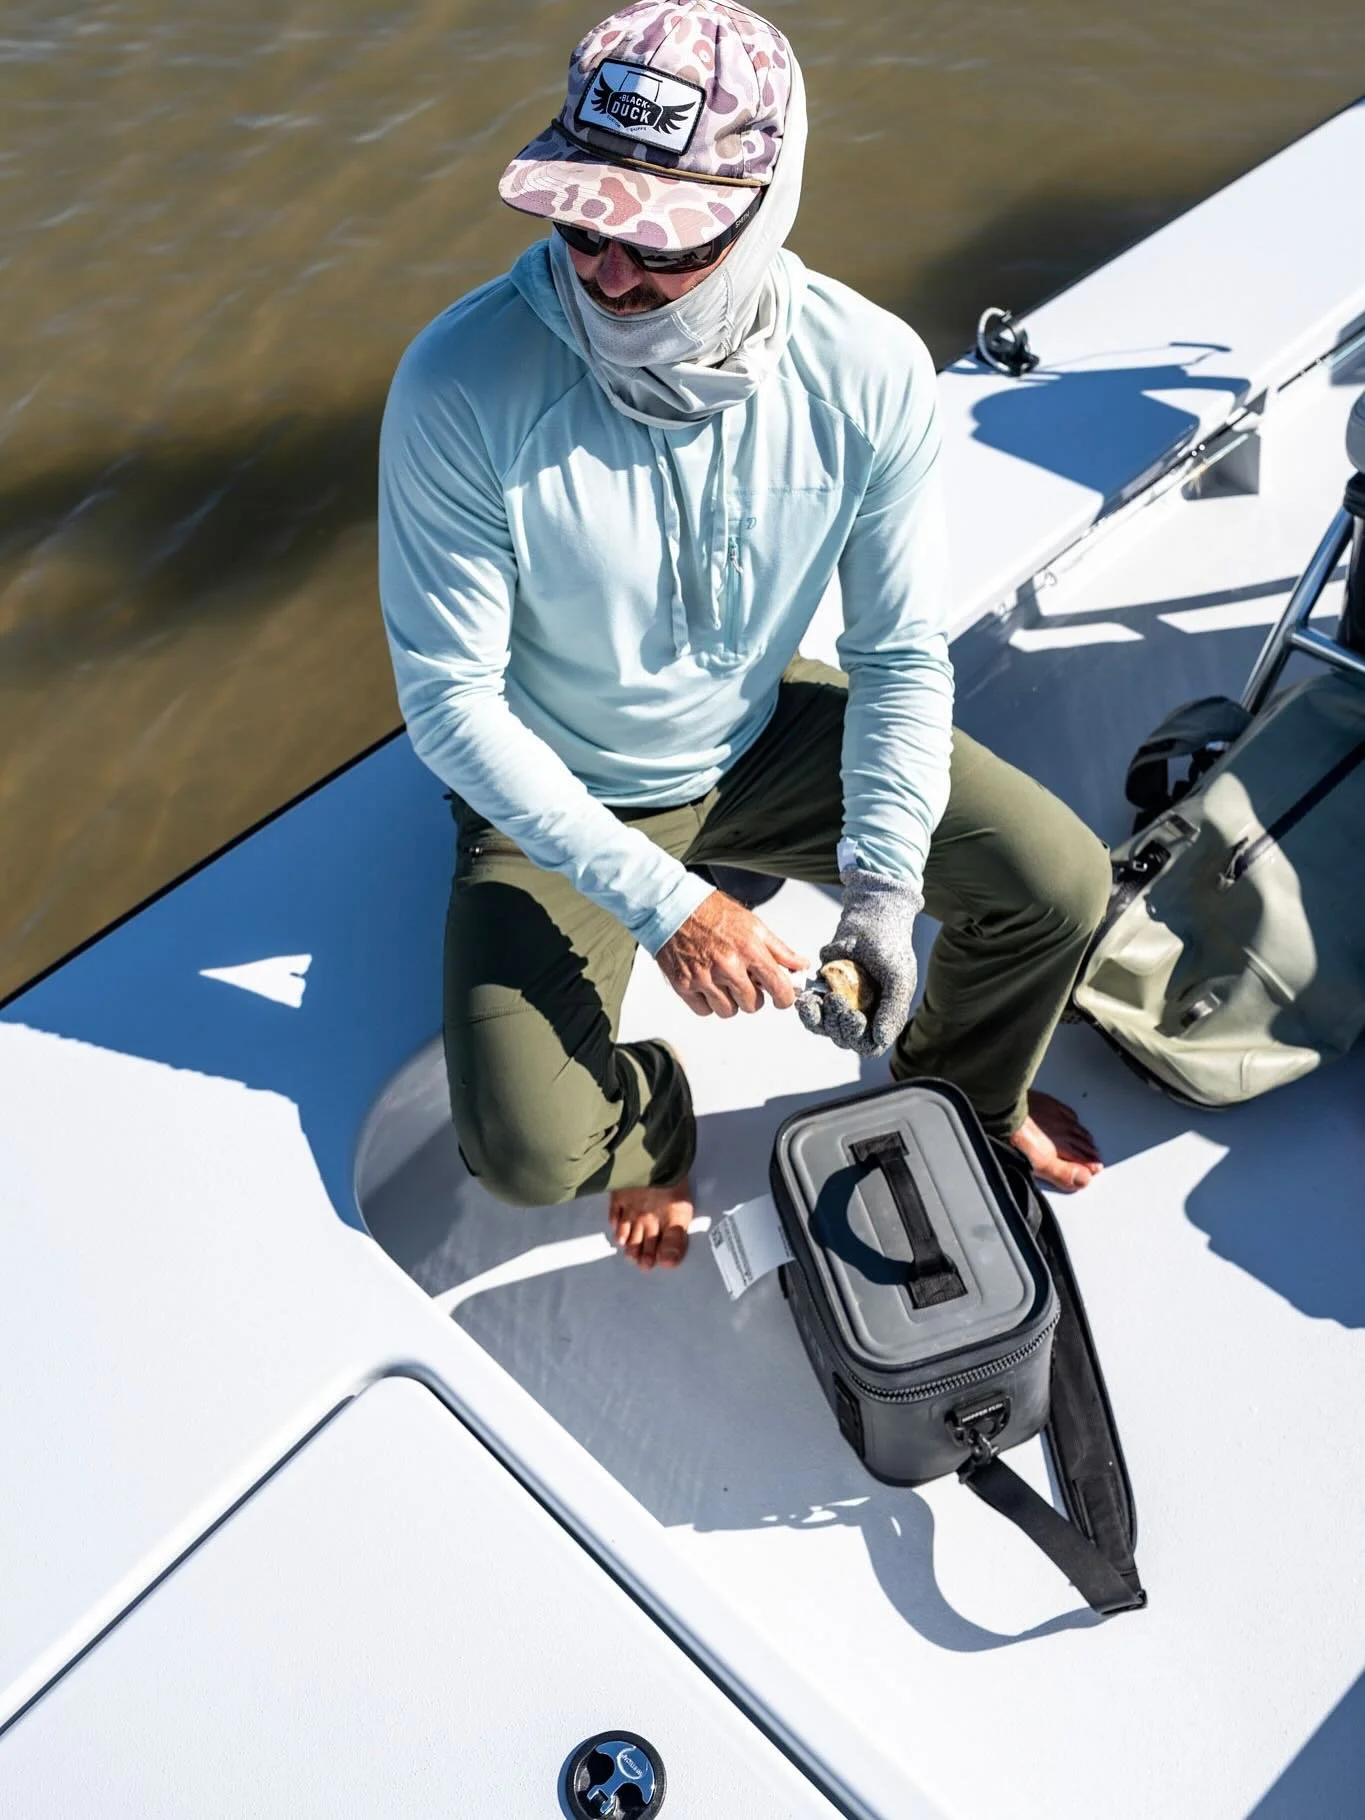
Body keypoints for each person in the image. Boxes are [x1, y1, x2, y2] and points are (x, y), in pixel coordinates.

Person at [378, 0, 1109, 1274]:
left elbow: (893, 656)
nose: (604, 272)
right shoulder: (458, 383)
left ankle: (965, 1097)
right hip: (557, 792)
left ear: (763, 209)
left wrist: (881, 896)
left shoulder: (871, 371)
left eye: (658, 242)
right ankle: (653, 1111)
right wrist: (670, 906)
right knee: (523, 1151)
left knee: (1058, 885)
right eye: (580, 218)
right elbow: (450, 705)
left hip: (763, 732)